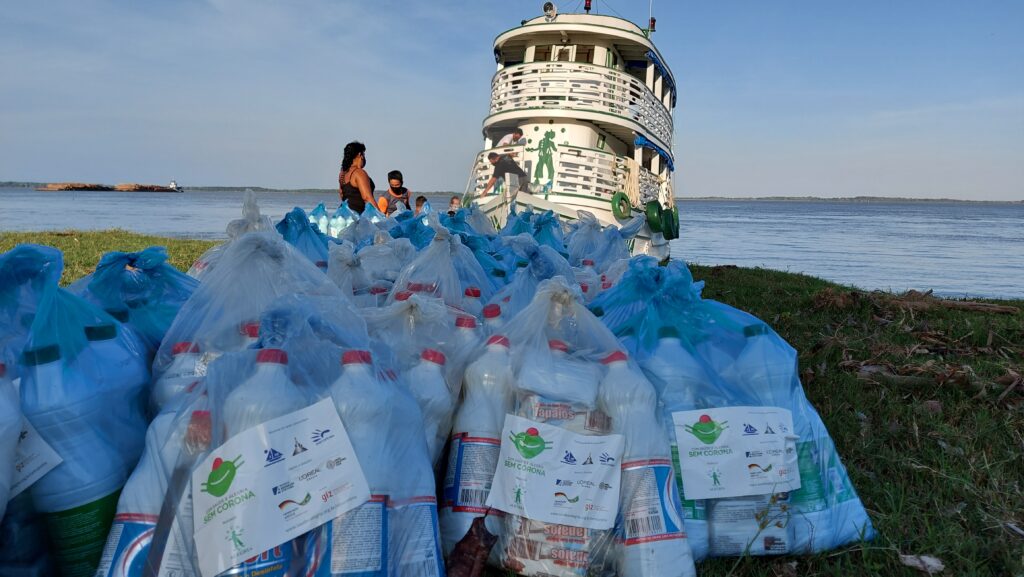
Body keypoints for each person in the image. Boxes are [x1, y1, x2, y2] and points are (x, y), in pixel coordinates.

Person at [338, 141, 375, 214]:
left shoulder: (343, 173)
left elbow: (342, 194)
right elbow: (367, 198)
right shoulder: (359, 173)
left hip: (343, 213)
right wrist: (381, 216)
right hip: (357, 215)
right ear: (360, 155)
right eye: (364, 154)